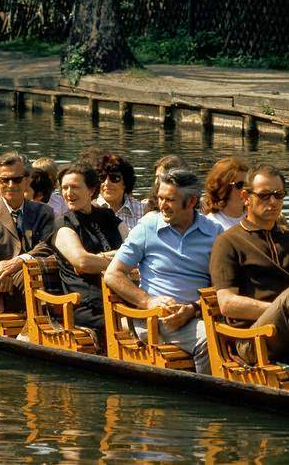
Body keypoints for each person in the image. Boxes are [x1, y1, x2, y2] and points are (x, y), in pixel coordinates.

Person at [209, 164, 289, 396]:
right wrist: (284, 311)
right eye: (264, 195)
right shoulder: (228, 242)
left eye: (278, 195)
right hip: (254, 339)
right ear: (245, 197)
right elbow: (227, 304)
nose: (273, 202)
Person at [104, 169, 221, 374]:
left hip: (201, 312)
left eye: (170, 200)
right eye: (160, 198)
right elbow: (113, 274)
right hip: (158, 318)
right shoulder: (148, 227)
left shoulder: (214, 231)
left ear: (192, 202)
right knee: (210, 339)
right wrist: (149, 301)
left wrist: (194, 308)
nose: (162, 206)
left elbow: (222, 283)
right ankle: (205, 399)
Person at [0, 152, 57, 316]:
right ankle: (46, 321)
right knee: (29, 276)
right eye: (4, 180)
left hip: (37, 280)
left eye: (17, 179)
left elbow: (47, 246)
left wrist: (18, 262)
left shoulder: (44, 212)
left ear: (27, 180)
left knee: (35, 274)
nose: (11, 184)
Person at [53, 162, 129, 336]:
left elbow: (136, 251)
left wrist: (102, 257)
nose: (68, 193)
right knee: (139, 327)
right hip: (87, 304)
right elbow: (83, 261)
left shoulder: (108, 217)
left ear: (91, 189)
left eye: (75, 187)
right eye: (64, 188)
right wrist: (123, 260)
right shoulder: (64, 224)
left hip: (122, 295)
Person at [95, 152, 144, 232]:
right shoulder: (90, 209)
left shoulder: (141, 210)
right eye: (102, 178)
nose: (107, 183)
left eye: (114, 178)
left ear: (125, 182)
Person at [201, 157, 249, 231]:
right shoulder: (210, 226)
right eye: (240, 185)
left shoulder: (259, 219)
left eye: (248, 185)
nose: (245, 190)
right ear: (221, 188)